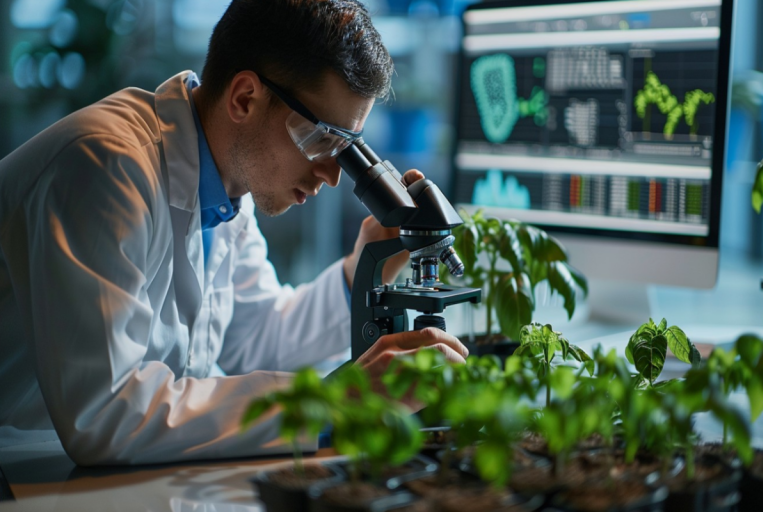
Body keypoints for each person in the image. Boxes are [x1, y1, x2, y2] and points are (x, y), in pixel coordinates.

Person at [0, 0, 468, 465]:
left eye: (349, 148)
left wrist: (360, 269)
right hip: (23, 466)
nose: (332, 175)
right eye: (324, 139)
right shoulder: (107, 166)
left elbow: (259, 340)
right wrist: (336, 401)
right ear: (245, 98)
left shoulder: (226, 191)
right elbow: (107, 414)